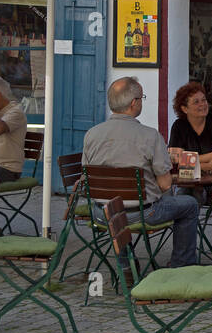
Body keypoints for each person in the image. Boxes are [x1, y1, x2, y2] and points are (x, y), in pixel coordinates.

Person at [83, 77, 201, 269]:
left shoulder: (91, 134)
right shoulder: (150, 135)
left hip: (101, 213)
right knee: (190, 204)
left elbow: (87, 176)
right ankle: (182, 266)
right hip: (143, 213)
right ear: (133, 103)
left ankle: (127, 266)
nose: (141, 101)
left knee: (117, 208)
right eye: (141, 98)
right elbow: (164, 185)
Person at [168, 82, 212, 174]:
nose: (202, 104)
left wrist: (187, 160)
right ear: (185, 109)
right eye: (196, 102)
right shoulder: (179, 126)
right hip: (189, 181)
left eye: (204, 100)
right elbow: (175, 159)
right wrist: (207, 166)